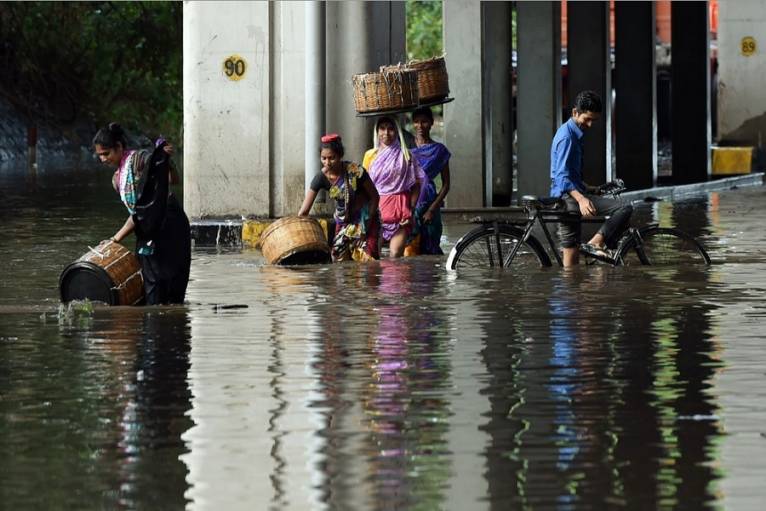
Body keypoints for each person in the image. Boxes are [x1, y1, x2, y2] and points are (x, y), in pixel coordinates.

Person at [93, 123, 191, 304]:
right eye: (100, 155)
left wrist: (165, 159)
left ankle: (172, 320)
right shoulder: (117, 180)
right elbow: (137, 215)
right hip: (149, 229)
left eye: (107, 153)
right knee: (151, 281)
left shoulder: (140, 160)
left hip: (170, 223)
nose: (103, 159)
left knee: (174, 282)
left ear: (119, 147)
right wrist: (115, 239)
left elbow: (173, 180)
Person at [550, 90, 633, 267]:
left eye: (593, 120)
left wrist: (588, 188)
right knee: (625, 207)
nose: (589, 124)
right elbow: (562, 176)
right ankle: (596, 243)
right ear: (574, 113)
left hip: (567, 196)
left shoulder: (573, 133)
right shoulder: (567, 137)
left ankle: (571, 291)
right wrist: (581, 199)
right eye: (586, 119)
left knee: (571, 261)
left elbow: (569, 173)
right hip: (568, 199)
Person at [298, 133, 380, 262]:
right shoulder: (320, 178)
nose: (327, 163)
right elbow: (303, 212)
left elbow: (375, 197)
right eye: (323, 158)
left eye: (332, 158)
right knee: (338, 260)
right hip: (343, 222)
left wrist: (365, 228)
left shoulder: (356, 171)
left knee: (368, 261)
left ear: (340, 155)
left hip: (366, 219)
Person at [363, 117, 424, 258]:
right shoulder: (370, 156)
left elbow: (416, 185)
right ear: (377, 132)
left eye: (391, 129)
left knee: (396, 254)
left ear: (397, 131)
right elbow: (364, 185)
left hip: (401, 211)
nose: (386, 133)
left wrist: (412, 209)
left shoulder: (406, 155)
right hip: (377, 210)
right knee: (374, 256)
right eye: (382, 128)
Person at [409, 106, 451, 255]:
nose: (420, 126)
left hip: (430, 205)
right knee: (409, 248)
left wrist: (432, 209)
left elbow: (446, 184)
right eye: (417, 122)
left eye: (424, 122)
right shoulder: (406, 148)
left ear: (431, 123)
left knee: (431, 249)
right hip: (410, 206)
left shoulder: (439, 150)